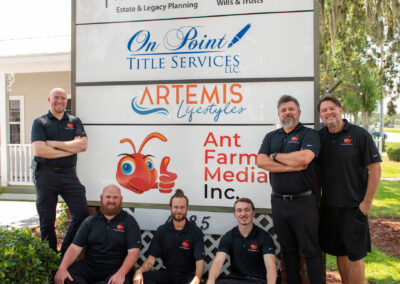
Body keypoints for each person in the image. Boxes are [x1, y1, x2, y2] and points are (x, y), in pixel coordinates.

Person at [256, 95, 324, 283]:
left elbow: (304, 159)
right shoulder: (271, 136)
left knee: (311, 250)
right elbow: (261, 161)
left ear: (299, 112)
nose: (288, 113)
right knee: (288, 250)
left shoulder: (309, 135)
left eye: (291, 109)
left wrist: (276, 156)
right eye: (283, 110)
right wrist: (290, 166)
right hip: (279, 202)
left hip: (304, 202)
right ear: (279, 114)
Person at [317, 96, 381, 284]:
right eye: (324, 110)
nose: (329, 112)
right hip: (329, 208)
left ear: (340, 109)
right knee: (339, 253)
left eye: (332, 108)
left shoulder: (359, 135)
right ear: (320, 115)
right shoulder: (320, 137)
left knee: (355, 256)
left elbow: (375, 168)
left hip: (354, 207)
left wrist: (367, 203)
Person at [31, 87, 89, 254]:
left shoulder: (74, 121)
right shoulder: (40, 122)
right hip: (45, 174)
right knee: (47, 220)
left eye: (63, 98)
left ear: (66, 101)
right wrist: (71, 148)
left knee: (82, 213)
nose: (60, 101)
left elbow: (83, 145)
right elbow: (40, 151)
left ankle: (64, 253)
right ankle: (50, 257)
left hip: (68, 174)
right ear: (49, 99)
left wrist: (53, 143)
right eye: (56, 97)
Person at [54, 184, 141, 284]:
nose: (111, 201)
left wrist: (121, 273)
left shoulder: (129, 222)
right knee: (66, 278)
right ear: (101, 198)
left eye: (115, 197)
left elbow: (133, 253)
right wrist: (62, 268)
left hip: (116, 268)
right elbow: (75, 247)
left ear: (121, 199)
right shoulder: (90, 221)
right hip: (90, 266)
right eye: (108, 197)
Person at [133, 189, 205, 284]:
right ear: (170, 208)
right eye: (176, 207)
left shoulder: (196, 232)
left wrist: (197, 278)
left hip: (187, 276)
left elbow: (200, 262)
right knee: (143, 278)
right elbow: (151, 259)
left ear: (187, 209)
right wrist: (139, 271)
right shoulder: (162, 231)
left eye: (182, 207)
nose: (179, 211)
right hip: (167, 273)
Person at [206, 198, 277, 284]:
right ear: (235, 214)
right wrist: (210, 280)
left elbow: (271, 266)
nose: (243, 214)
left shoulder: (264, 237)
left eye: (247, 210)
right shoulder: (229, 236)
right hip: (236, 280)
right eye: (239, 211)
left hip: (257, 280)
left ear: (253, 213)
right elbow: (218, 262)